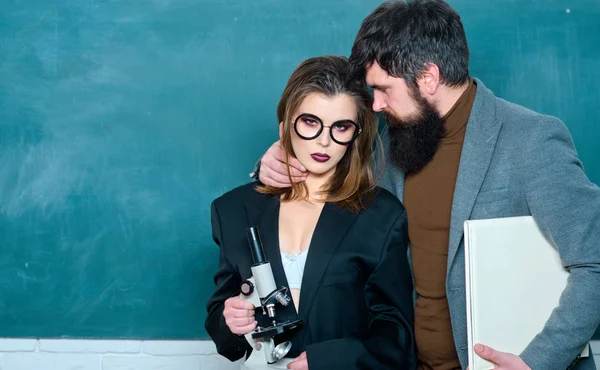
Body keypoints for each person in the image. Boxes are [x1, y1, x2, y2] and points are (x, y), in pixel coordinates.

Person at [256, 1, 600, 370]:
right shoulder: (393, 143)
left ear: (428, 78)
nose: (376, 104)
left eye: (384, 89)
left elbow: (594, 262)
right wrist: (277, 159)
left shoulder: (531, 140)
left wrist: (537, 362)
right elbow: (335, 194)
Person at [205, 55, 417, 370]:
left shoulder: (381, 216)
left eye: (341, 127)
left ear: (356, 136)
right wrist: (230, 320)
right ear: (285, 123)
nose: (323, 140)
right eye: (310, 122)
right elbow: (222, 328)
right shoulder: (233, 210)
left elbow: (397, 335)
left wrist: (329, 359)